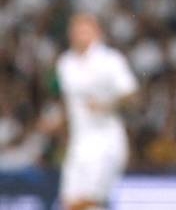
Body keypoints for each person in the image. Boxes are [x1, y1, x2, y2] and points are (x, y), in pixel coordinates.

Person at [54, 12, 139, 210]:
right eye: (75, 30)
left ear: (97, 32)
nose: (78, 35)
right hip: (78, 144)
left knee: (89, 201)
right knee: (70, 201)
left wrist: (108, 105)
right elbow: (69, 105)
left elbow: (132, 96)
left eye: (84, 30)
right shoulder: (65, 63)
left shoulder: (110, 60)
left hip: (105, 141)